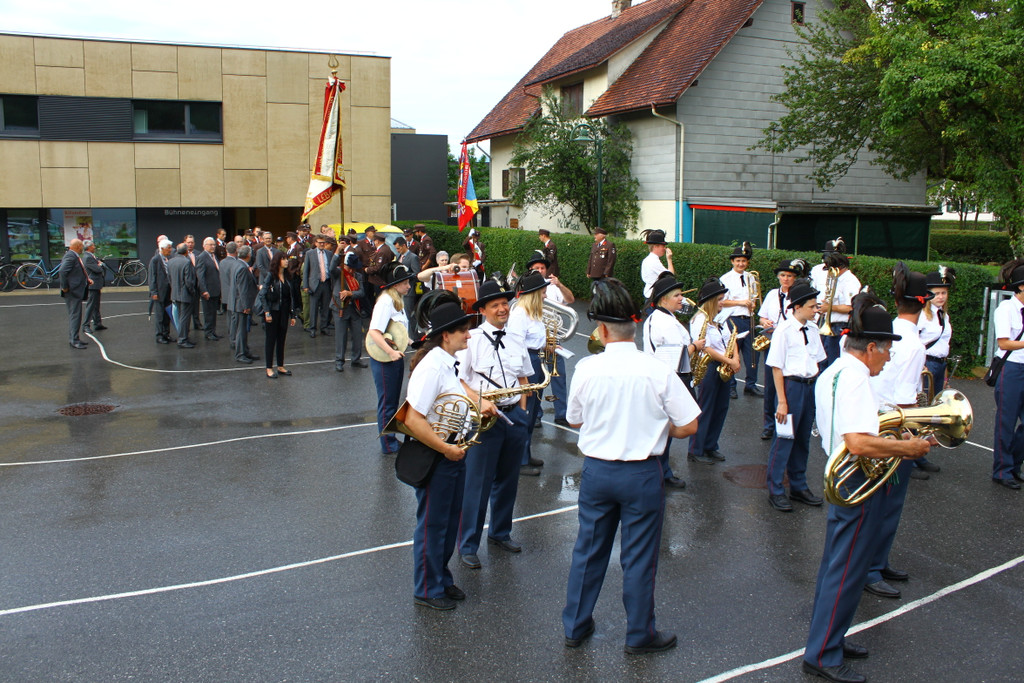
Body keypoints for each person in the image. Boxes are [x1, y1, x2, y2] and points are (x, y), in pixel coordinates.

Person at [562, 278, 699, 654]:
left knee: (588, 550)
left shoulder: (587, 367)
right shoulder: (656, 369)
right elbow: (689, 425)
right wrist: (657, 427)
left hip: (597, 471)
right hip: (641, 473)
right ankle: (639, 634)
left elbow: (574, 419)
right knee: (638, 557)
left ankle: (575, 625)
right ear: (633, 327)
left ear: (603, 330)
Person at [803, 292, 929, 683]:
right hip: (856, 476)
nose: (888, 358)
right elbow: (857, 442)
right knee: (846, 571)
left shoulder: (837, 369)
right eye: (887, 350)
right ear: (871, 347)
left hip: (846, 474)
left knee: (840, 567)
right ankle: (823, 654)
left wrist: (890, 432)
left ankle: (831, 640)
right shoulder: (856, 378)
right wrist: (907, 448)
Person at [401, 299, 498, 611]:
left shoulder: (447, 363)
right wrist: (446, 449)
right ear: (446, 335)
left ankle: (441, 578)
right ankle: (426, 588)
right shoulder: (431, 368)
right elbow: (412, 419)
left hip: (453, 452)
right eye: (463, 331)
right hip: (439, 455)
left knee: (449, 521)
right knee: (433, 525)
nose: (469, 335)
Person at [861, 264, 933, 600]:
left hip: (876, 418)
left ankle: (878, 560)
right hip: (893, 425)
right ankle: (871, 568)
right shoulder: (914, 344)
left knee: (882, 501)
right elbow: (906, 399)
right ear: (924, 303)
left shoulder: (887, 329)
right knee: (887, 503)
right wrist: (920, 434)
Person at [456, 279, 532, 570]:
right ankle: (468, 545)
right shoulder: (471, 339)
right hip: (484, 420)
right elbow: (458, 380)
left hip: (513, 416)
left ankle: (500, 532)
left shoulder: (516, 338)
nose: (502, 309)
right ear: (483, 310)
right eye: (495, 305)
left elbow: (523, 376)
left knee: (508, 480)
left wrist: (522, 411)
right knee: (477, 484)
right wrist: (478, 401)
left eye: (504, 304)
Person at [764, 278, 826, 512]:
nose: (815, 309)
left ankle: (798, 485)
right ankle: (776, 489)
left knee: (802, 439)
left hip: (809, 386)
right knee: (784, 439)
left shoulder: (813, 328)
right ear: (797, 307)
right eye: (812, 306)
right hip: (791, 388)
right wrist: (782, 401)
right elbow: (776, 367)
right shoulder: (784, 330)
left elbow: (818, 359)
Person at [642, 272, 705, 490]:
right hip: (669, 379)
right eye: (677, 295)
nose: (681, 299)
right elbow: (676, 355)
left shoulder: (661, 318)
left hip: (664, 377)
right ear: (663, 299)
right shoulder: (665, 322)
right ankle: (660, 473)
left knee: (664, 429)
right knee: (666, 429)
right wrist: (696, 346)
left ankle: (661, 471)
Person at [687, 277, 741, 464]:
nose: (722, 303)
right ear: (710, 301)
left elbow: (732, 338)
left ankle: (710, 445)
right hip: (709, 366)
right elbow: (706, 348)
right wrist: (730, 361)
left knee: (721, 407)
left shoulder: (720, 318)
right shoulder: (699, 320)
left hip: (724, 364)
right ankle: (696, 449)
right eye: (719, 300)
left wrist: (736, 358)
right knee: (706, 407)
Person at [369, 262, 416, 454]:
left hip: (395, 356)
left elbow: (396, 330)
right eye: (405, 283)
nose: (409, 286)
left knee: (393, 400)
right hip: (385, 359)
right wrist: (390, 352)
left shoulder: (396, 300)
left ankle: (391, 438)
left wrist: (412, 342)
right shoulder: (385, 302)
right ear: (395, 285)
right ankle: (387, 444)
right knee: (387, 402)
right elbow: (374, 332)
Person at [757, 258, 807, 439]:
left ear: (795, 278)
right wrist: (765, 322)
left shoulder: (799, 296)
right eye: (783, 275)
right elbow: (762, 317)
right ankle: (769, 425)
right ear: (778, 277)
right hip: (772, 342)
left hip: (792, 345)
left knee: (789, 386)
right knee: (770, 387)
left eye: (790, 276)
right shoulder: (772, 294)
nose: (786, 279)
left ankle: (787, 425)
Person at [506, 272, 549, 477]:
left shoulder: (533, 313)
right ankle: (520, 459)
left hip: (536, 360)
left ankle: (526, 453)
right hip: (527, 361)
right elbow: (516, 346)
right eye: (543, 292)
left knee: (533, 411)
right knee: (525, 412)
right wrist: (522, 376)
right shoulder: (519, 314)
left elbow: (536, 340)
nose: (545, 295)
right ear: (534, 294)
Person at [527, 250, 573, 427]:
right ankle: (536, 415)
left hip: (553, 338)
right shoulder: (527, 288)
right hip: (534, 341)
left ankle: (561, 413)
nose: (540, 270)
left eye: (542, 268)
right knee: (537, 379)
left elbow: (570, 299)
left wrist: (560, 285)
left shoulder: (553, 287)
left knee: (558, 376)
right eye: (536, 268)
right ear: (531, 270)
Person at [991, 259, 1024, 490]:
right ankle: (1002, 470)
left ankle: (1014, 464)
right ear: (1020, 286)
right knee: (1006, 422)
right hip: (1011, 368)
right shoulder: (1006, 309)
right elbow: (1004, 343)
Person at [719, 241, 761, 399]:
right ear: (732, 261)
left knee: (752, 355)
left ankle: (751, 385)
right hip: (733, 319)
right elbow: (722, 302)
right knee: (731, 353)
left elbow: (754, 297)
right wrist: (741, 302)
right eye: (738, 261)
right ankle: (731, 386)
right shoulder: (726, 278)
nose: (741, 264)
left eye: (743, 261)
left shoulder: (751, 277)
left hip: (749, 319)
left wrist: (753, 304)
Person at [255, 251, 300, 378]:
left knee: (281, 339)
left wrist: (292, 315)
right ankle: (269, 368)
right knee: (270, 340)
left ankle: (280, 365)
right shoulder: (271, 276)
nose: (286, 261)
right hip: (273, 311)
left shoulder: (288, 276)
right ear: (277, 261)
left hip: (284, 312)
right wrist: (267, 312)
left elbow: (290, 297)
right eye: (283, 259)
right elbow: (262, 294)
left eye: (287, 259)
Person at [817, 245, 862, 367]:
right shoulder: (837, 279)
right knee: (823, 362)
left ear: (839, 267)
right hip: (830, 324)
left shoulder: (849, 281)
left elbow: (851, 307)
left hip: (839, 326)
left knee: (832, 362)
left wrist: (829, 307)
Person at [330, 251, 369, 372]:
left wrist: (350, 293)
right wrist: (337, 252)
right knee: (341, 336)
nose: (352, 270)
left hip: (354, 309)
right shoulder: (339, 273)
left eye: (354, 268)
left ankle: (356, 359)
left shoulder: (358, 276)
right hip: (340, 308)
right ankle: (339, 361)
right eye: (350, 268)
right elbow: (331, 269)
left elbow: (361, 292)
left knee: (357, 336)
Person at [919, 266, 955, 389]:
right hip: (926, 363)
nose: (941, 297)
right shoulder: (922, 315)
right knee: (925, 397)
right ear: (929, 295)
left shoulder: (944, 316)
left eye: (944, 293)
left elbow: (944, 344)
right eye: (937, 293)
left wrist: (945, 377)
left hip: (941, 364)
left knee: (937, 398)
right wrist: (920, 365)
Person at [59, 238, 92, 349]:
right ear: (78, 246)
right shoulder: (70, 256)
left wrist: (86, 280)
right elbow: (62, 271)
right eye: (82, 246)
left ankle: (74, 338)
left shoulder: (73, 256)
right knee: (75, 315)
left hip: (75, 290)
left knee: (75, 315)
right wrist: (65, 287)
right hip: (72, 292)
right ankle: (74, 340)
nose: (83, 248)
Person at [230, 245, 258, 364]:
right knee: (241, 330)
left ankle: (245, 351)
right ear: (248, 255)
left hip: (238, 303)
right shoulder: (242, 268)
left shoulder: (237, 264)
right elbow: (242, 289)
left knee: (242, 330)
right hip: (241, 305)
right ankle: (240, 354)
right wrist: (246, 306)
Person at [168, 243, 198, 349]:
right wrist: (193, 291)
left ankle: (183, 337)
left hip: (175, 293)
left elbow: (169, 278)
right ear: (186, 252)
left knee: (181, 318)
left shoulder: (170, 261)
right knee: (185, 318)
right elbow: (189, 281)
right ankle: (183, 339)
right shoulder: (187, 262)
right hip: (185, 295)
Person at [302, 235, 333, 337]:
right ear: (315, 243)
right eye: (320, 242)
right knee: (313, 308)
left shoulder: (329, 253)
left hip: (327, 283)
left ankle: (324, 327)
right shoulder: (310, 253)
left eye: (323, 242)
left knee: (325, 307)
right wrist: (306, 285)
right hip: (315, 284)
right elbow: (306, 271)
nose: (322, 244)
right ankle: (313, 328)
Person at [196, 237, 223, 341]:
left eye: (214, 245)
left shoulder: (213, 256)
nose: (213, 247)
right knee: (208, 313)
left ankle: (213, 331)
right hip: (208, 290)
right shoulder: (202, 257)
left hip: (215, 290)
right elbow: (200, 276)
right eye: (210, 245)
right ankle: (208, 332)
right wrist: (204, 290)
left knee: (213, 313)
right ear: (204, 246)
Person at [148, 239, 174, 344]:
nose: (170, 250)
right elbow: (152, 277)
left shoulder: (169, 259)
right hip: (159, 292)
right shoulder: (155, 260)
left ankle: (166, 333)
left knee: (167, 314)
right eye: (169, 248)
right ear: (162, 248)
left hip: (169, 291)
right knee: (160, 315)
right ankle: (159, 335)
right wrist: (154, 292)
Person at [395, 236, 420, 337]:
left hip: (409, 291)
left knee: (409, 315)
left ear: (404, 246)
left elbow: (416, 273)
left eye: (398, 248)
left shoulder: (413, 257)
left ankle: (413, 337)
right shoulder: (398, 256)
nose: (397, 250)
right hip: (399, 290)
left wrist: (405, 274)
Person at [639, 229, 674, 300]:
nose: (664, 248)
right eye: (663, 246)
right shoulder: (653, 261)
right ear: (655, 246)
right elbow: (670, 276)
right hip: (654, 296)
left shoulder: (647, 260)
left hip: (650, 295)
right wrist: (669, 259)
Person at [81, 240, 107, 333]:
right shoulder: (88, 257)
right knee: (91, 305)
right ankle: (85, 325)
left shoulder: (91, 256)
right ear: (88, 247)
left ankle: (97, 323)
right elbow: (98, 269)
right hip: (93, 284)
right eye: (93, 246)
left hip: (96, 284)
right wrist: (100, 265)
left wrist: (99, 264)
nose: (94, 247)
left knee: (96, 305)